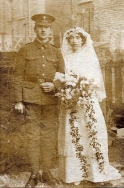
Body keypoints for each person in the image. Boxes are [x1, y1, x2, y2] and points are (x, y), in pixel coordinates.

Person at [58, 27, 121, 185]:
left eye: (77, 38)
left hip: (87, 100)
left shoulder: (90, 58)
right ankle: (74, 174)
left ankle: (96, 173)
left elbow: (96, 81)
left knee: (91, 131)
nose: (74, 41)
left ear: (83, 40)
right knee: (74, 132)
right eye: (70, 38)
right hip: (71, 101)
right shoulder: (64, 58)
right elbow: (61, 78)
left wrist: (85, 88)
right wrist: (68, 89)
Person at [13, 14, 65, 187]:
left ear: (51, 30)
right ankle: (35, 173)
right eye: (40, 27)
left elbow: (62, 77)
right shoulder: (25, 50)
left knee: (49, 137)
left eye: (47, 27)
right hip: (31, 100)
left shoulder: (56, 51)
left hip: (51, 101)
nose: (43, 30)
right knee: (33, 137)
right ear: (35, 29)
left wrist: (55, 86)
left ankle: (47, 172)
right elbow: (18, 76)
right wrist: (18, 100)